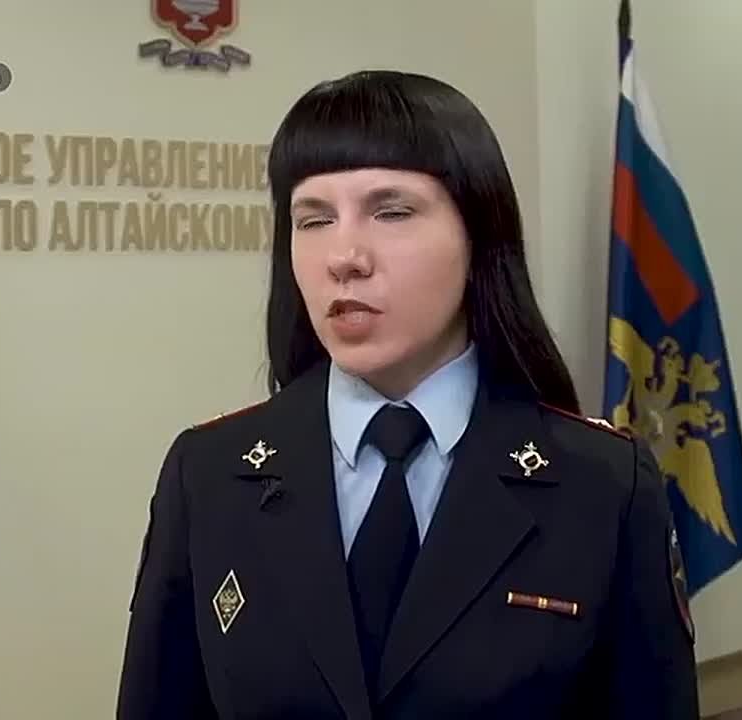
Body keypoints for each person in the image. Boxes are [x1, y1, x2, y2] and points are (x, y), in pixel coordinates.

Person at [115, 70, 698, 719]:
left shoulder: (605, 484)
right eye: (313, 219)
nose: (344, 256)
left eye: (391, 211)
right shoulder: (208, 474)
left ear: (478, 236)